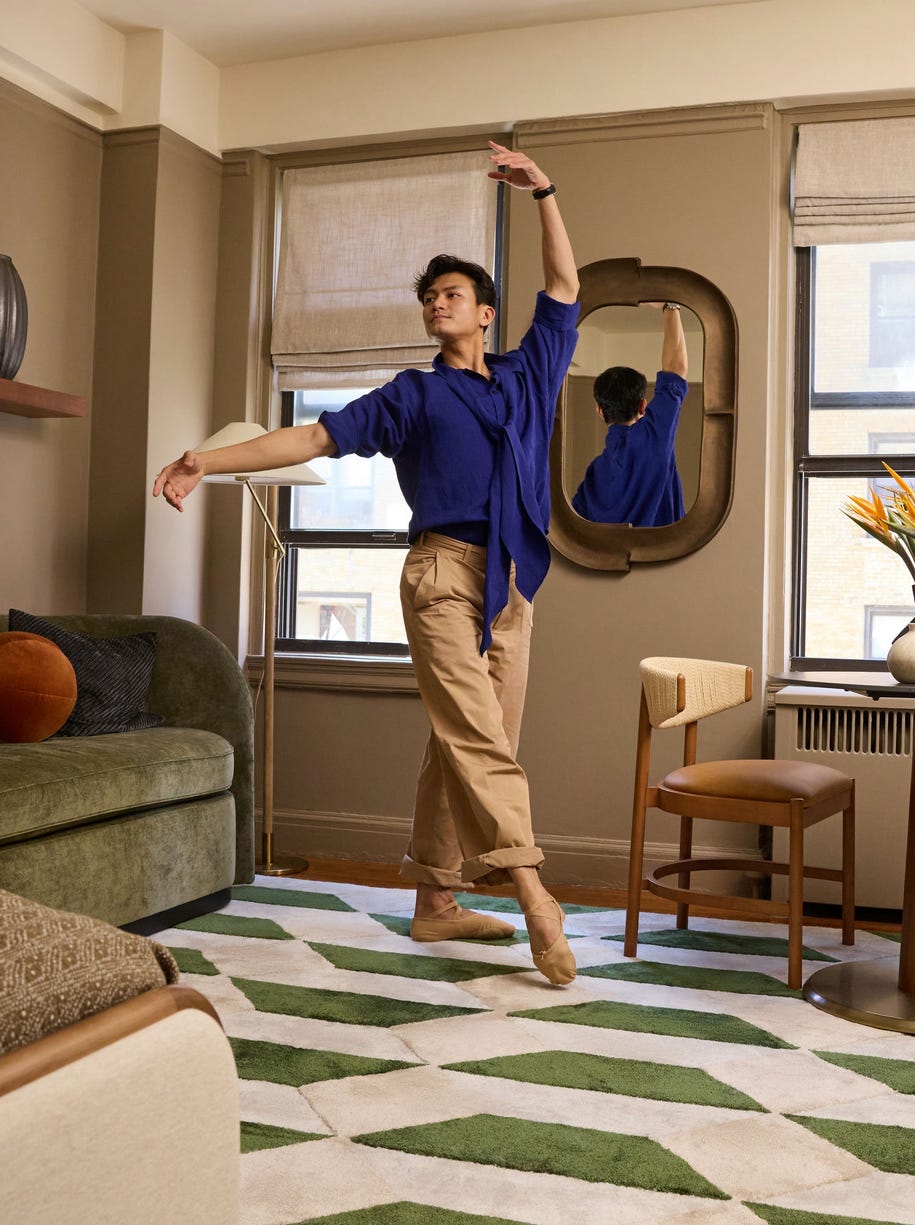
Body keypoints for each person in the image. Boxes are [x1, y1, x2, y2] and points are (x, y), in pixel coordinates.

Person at [153, 141, 580, 986]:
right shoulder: (411, 395)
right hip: (441, 578)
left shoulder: (529, 377)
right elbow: (313, 435)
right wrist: (209, 457)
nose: (436, 305)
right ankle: (534, 892)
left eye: (451, 294)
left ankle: (434, 901)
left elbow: (565, 287)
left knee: (467, 742)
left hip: (512, 588)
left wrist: (544, 193)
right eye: (428, 298)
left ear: (485, 312)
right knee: (478, 740)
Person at [572, 300, 688, 527]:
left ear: (599, 410)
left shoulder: (595, 474)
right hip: (665, 562)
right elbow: (675, 369)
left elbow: (575, 529)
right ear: (643, 406)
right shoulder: (652, 438)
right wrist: (670, 307)